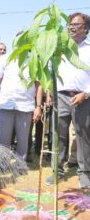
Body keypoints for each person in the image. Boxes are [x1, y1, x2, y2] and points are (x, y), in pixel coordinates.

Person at [46, 12, 90, 189]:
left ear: (85, 29)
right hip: (60, 96)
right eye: (70, 24)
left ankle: (84, 173)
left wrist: (85, 94)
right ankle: (57, 171)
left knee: (83, 135)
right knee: (59, 135)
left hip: (83, 98)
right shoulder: (60, 48)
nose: (71, 27)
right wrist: (50, 92)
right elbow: (51, 72)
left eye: (75, 24)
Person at [0, 53, 42, 167]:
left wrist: (38, 106)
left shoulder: (34, 60)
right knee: (3, 139)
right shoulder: (5, 58)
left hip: (25, 105)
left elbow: (39, 85)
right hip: (6, 103)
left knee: (23, 139)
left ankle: (20, 165)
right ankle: (2, 165)